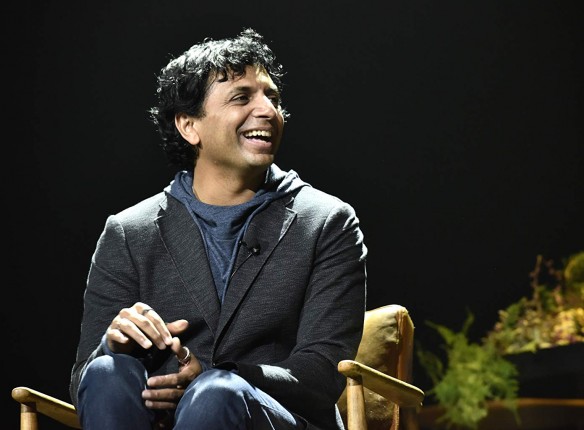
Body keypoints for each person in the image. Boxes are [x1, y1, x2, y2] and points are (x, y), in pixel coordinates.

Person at [69, 28, 367, 430]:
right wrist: (113, 345)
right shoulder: (128, 232)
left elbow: (321, 371)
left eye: (273, 97)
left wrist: (212, 378)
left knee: (216, 394)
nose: (268, 110)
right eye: (242, 97)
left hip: (279, 419)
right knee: (106, 371)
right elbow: (84, 384)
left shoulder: (326, 221)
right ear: (189, 126)